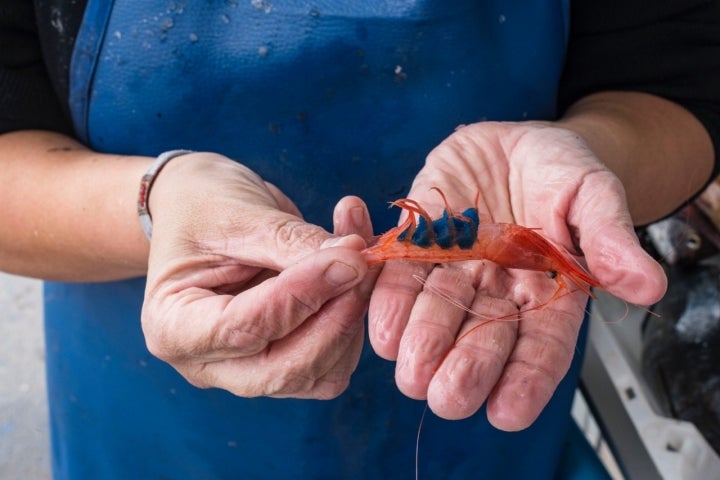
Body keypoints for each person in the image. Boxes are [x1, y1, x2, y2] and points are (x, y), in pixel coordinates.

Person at [1, 0, 718, 478]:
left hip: (479, 417)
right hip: (144, 404)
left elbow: (674, 84)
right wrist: (153, 201)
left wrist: (593, 156)